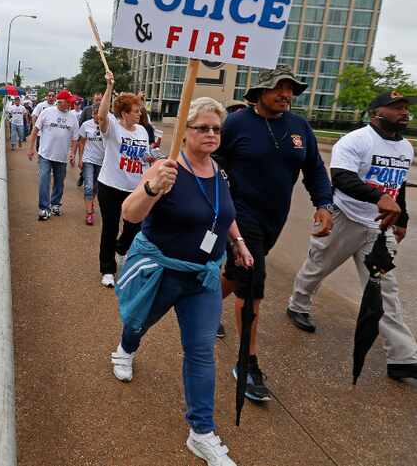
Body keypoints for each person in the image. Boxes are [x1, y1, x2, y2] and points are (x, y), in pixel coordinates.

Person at [111, 97, 253, 466]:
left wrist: (237, 241)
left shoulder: (220, 172)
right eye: (202, 127)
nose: (210, 134)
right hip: (162, 271)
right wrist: (152, 188)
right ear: (184, 132)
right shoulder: (166, 168)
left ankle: (201, 432)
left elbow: (222, 214)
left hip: (203, 277)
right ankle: (126, 348)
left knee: (201, 350)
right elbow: (130, 213)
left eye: (216, 129)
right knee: (138, 322)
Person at [215, 65, 333, 402]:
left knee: (238, 275)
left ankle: (205, 308)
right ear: (260, 92)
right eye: (279, 88)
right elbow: (215, 162)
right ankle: (246, 363)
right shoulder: (237, 123)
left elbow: (314, 169)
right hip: (238, 216)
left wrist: (324, 204)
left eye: (291, 89)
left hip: (273, 220)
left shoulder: (300, 128)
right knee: (252, 282)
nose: (286, 95)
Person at [287, 91, 417, 381]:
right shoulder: (356, 140)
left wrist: (402, 218)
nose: (404, 113)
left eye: (406, 108)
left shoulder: (406, 148)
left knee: (385, 290)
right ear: (375, 113)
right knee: (317, 266)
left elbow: (399, 186)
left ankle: (403, 357)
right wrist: (378, 196)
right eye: (396, 108)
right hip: (345, 217)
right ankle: (298, 304)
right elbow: (342, 178)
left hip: (378, 228)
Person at [97, 72, 151, 287]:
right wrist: (109, 87)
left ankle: (121, 248)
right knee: (110, 227)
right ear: (124, 113)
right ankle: (108, 270)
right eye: (136, 111)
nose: (140, 114)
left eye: (139, 110)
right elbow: (102, 116)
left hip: (135, 188)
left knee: (134, 227)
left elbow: (143, 155)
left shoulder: (143, 131)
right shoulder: (112, 128)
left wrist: (150, 158)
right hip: (110, 186)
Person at [28, 90, 78, 220]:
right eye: (69, 102)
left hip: (61, 156)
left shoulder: (73, 117)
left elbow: (75, 138)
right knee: (44, 179)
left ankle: (55, 204)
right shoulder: (46, 112)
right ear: (61, 102)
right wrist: (31, 148)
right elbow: (35, 130)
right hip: (45, 154)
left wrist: (72, 153)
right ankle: (44, 208)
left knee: (59, 182)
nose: (71, 105)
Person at [77, 110, 105, 225]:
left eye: (99, 114)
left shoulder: (107, 126)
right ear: (92, 114)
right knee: (88, 186)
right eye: (95, 114)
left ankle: (91, 202)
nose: (97, 116)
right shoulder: (86, 125)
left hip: (102, 161)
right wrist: (80, 158)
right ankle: (89, 213)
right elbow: (82, 142)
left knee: (96, 186)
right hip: (88, 159)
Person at [78, 93, 103, 187]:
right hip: (87, 138)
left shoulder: (105, 112)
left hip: (99, 145)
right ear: (93, 100)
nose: (99, 102)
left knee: (96, 178)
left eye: (100, 100)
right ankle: (82, 176)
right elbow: (81, 123)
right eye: (97, 100)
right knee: (87, 166)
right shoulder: (86, 109)